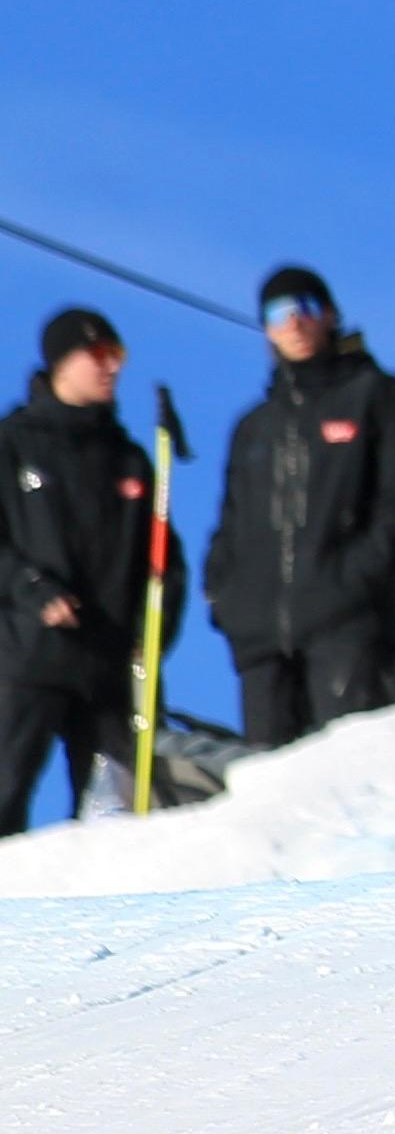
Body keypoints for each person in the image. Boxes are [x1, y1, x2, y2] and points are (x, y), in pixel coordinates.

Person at [206, 267, 395, 744]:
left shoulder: (372, 397)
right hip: (262, 639)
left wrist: (352, 582)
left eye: (305, 308)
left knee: (347, 778)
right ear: (267, 328)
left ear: (329, 315)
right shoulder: (255, 426)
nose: (294, 323)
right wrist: (227, 598)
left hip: (346, 625)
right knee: (269, 790)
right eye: (278, 313)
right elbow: (230, 524)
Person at [3, 311, 178, 828]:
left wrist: (154, 634)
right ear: (62, 363)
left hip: (110, 667)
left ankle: (105, 909)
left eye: (117, 357)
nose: (112, 369)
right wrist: (32, 588)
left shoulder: (129, 461)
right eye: (99, 356)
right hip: (27, 656)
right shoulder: (12, 444)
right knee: (6, 789)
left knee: (113, 813)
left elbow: (167, 561)